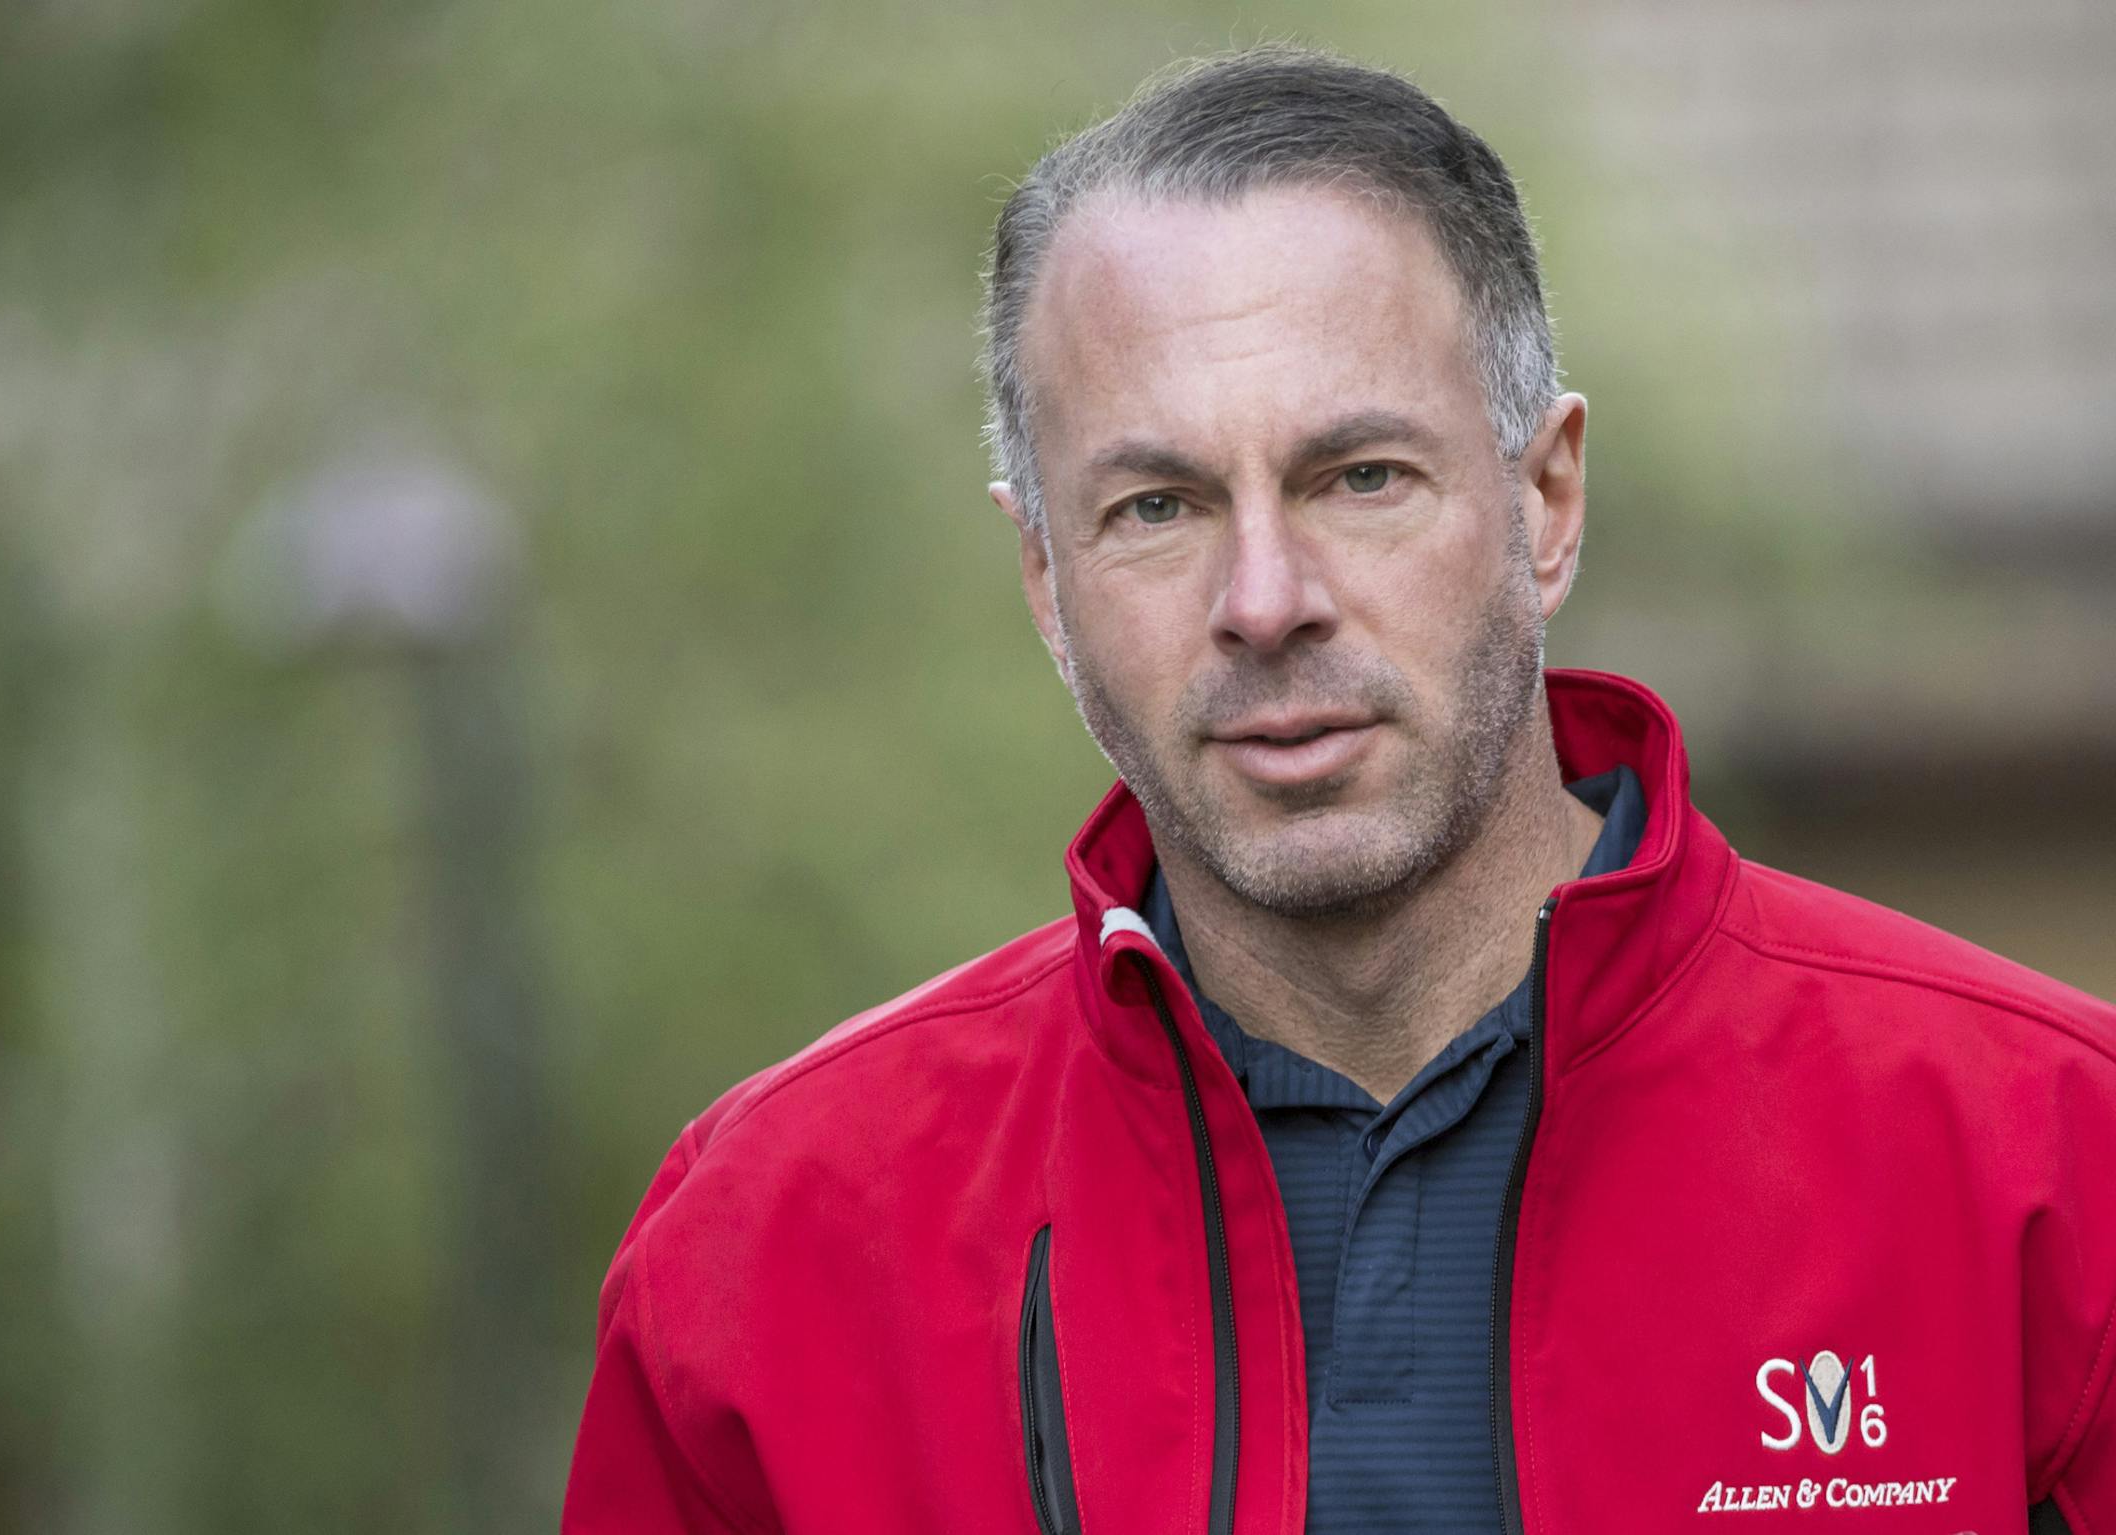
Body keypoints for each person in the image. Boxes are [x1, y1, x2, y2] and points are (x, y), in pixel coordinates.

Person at [561, 45, 2116, 1535]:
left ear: (1546, 499)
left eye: (1361, 478)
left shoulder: (2052, 1165)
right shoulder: (767, 1252)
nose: (1264, 599)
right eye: (1156, 506)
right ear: (1044, 577)